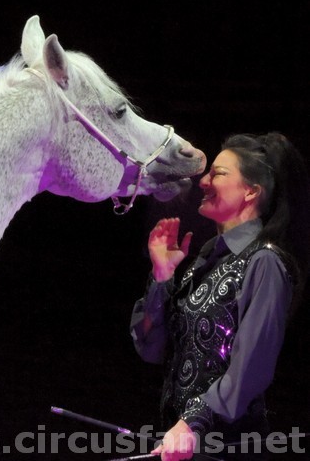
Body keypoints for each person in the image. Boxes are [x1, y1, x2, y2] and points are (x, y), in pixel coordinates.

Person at [130, 132, 310, 460]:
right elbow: (151, 348)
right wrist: (162, 277)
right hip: (187, 447)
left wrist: (191, 424)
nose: (203, 181)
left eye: (219, 173)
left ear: (251, 191)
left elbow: (251, 369)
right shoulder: (204, 262)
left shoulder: (264, 262)